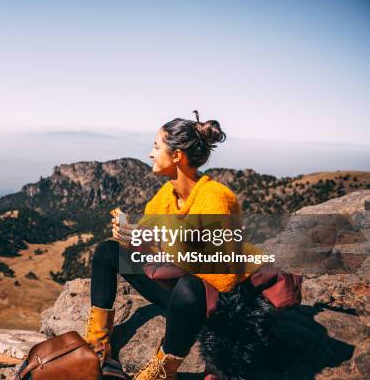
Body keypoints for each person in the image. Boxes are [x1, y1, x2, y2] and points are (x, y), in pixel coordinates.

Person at [83, 111, 302, 380]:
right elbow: (154, 241)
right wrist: (132, 236)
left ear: (176, 155)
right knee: (107, 251)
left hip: (215, 302)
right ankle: (97, 343)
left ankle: (163, 371)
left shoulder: (217, 198)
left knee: (190, 286)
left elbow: (222, 275)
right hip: (179, 298)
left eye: (156, 146)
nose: (151, 154)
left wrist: (161, 239)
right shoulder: (167, 194)